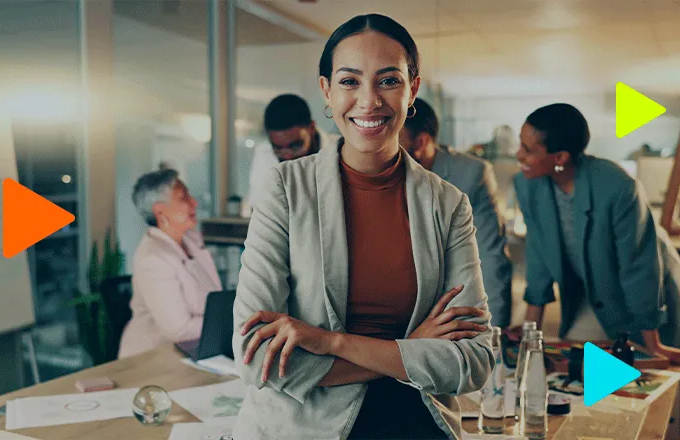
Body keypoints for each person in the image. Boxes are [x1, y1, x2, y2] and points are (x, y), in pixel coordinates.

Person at [232, 14, 493, 440]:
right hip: (303, 427)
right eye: (350, 81)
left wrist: (330, 342)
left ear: (413, 90)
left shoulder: (448, 205)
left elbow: (474, 362)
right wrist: (410, 351)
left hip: (416, 421)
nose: (369, 100)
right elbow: (255, 356)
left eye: (388, 80)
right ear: (327, 91)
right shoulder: (284, 189)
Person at [513, 103, 680, 372]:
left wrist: (654, 345)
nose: (518, 155)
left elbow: (638, 267)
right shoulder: (527, 184)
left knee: (634, 376)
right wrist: (529, 332)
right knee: (581, 376)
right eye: (520, 145)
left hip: (638, 297)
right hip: (587, 295)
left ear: (560, 157)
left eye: (528, 150)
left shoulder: (617, 187)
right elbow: (538, 254)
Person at [400, 98, 513, 327]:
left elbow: (491, 258)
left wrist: (493, 333)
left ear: (421, 142)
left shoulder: (471, 174)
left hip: (452, 308)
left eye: (393, 137)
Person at [118, 168, 223, 359]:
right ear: (160, 212)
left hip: (197, 351)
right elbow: (178, 330)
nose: (194, 202)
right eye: (183, 198)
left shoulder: (190, 239)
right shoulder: (153, 258)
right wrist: (230, 318)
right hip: (153, 359)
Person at [247, 93, 339, 207]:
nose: (287, 156)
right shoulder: (265, 153)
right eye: (278, 149)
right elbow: (258, 207)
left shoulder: (341, 150)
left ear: (311, 128)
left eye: (295, 146)